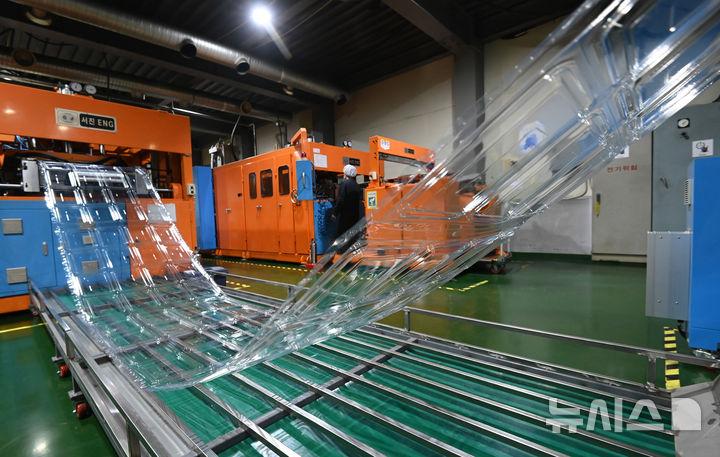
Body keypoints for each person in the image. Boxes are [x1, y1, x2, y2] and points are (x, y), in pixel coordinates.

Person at [333, 164, 362, 241]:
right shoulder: (357, 185)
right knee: (352, 235)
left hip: (345, 215)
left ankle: (342, 248)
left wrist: (335, 213)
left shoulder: (344, 184)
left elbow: (341, 200)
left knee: (342, 234)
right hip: (355, 215)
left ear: (345, 173)